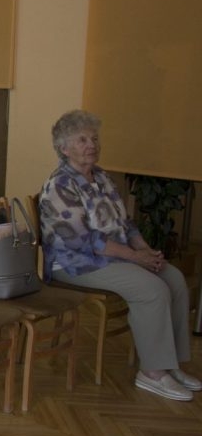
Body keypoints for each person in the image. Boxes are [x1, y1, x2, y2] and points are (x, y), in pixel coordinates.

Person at [39, 110, 197, 402]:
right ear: (64, 148)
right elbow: (86, 241)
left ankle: (171, 364)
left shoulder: (101, 177)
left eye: (95, 138)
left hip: (114, 255)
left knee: (173, 278)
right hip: (75, 263)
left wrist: (144, 249)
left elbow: (126, 223)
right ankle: (152, 373)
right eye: (82, 139)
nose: (92, 145)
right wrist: (135, 258)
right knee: (151, 289)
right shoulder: (60, 185)